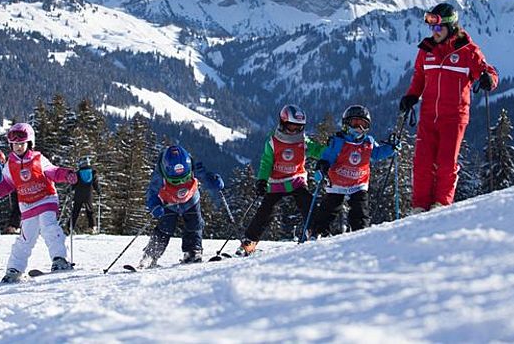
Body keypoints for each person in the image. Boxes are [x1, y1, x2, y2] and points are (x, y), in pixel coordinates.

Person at [399, 2, 498, 212]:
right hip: (428, 116)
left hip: (454, 116)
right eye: (431, 28)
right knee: (422, 163)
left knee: (445, 163)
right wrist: (411, 96)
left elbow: (488, 72)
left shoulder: (468, 51)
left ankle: (441, 205)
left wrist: (489, 78)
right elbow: (419, 78)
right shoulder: (426, 50)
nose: (434, 32)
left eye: (438, 28)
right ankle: (419, 207)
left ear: (451, 27)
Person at [0, 122, 78, 282]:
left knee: (48, 227)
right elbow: (8, 183)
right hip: (27, 205)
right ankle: (14, 269)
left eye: (21, 144)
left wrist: (66, 174)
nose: (18, 147)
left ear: (29, 143)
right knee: (26, 237)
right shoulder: (10, 164)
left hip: (46, 198)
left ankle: (60, 259)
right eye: (15, 144)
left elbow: (53, 171)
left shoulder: (38, 158)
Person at [236, 104, 326, 256]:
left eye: (298, 127)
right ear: (283, 123)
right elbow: (266, 163)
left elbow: (317, 150)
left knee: (307, 202)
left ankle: (313, 231)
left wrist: (329, 153)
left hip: (296, 180)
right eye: (291, 126)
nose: (294, 130)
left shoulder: (303, 141)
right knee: (266, 210)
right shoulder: (273, 141)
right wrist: (262, 181)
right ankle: (249, 241)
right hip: (276, 182)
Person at [311, 105, 397, 237]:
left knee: (360, 211)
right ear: (346, 124)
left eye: (363, 124)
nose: (359, 128)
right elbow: (328, 156)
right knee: (329, 209)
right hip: (338, 183)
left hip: (358, 183)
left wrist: (391, 148)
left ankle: (361, 234)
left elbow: (377, 153)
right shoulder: (339, 141)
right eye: (355, 123)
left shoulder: (368, 142)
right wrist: (322, 167)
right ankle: (318, 233)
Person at [139, 145, 224, 268]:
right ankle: (150, 255)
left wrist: (213, 181)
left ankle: (193, 252)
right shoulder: (159, 174)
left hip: (190, 200)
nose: (179, 182)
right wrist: (155, 206)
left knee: (195, 224)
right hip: (169, 202)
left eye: (183, 178)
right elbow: (152, 192)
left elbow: (204, 175)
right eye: (175, 180)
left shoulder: (193, 166)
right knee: (164, 228)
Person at [70, 156, 100, 232]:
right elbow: (95, 184)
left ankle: (70, 227)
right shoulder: (93, 172)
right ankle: (93, 227)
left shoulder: (78, 173)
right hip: (88, 194)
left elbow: (74, 184)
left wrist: (69, 190)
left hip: (78, 194)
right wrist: (98, 191)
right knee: (90, 210)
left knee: (75, 211)